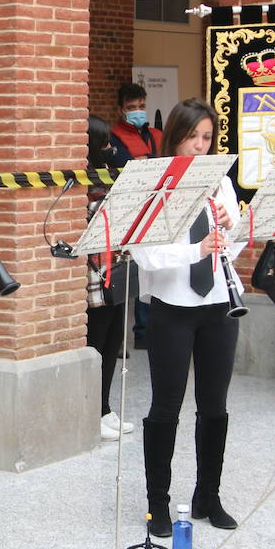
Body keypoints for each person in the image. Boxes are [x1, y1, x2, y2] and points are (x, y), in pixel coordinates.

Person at [131, 98, 244, 537]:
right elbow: (146, 254)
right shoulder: (154, 185)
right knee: (165, 407)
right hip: (173, 309)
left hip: (218, 305)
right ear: (174, 137)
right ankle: (156, 503)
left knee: (214, 407)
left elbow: (232, 249)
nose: (200, 146)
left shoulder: (220, 183)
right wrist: (194, 250)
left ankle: (208, 495)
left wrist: (230, 230)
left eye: (207, 138)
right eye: (192, 137)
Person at [83, 116, 135, 440]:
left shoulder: (109, 175)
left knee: (115, 339)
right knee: (98, 342)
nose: (110, 148)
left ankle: (104, 407)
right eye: (104, 142)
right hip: (96, 276)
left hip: (116, 269)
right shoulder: (83, 181)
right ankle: (93, 412)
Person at [109, 82, 163, 349]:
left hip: (158, 208)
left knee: (152, 268)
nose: (138, 112)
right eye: (132, 108)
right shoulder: (114, 136)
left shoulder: (156, 134)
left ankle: (149, 328)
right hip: (131, 209)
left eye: (141, 107)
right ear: (121, 110)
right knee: (132, 271)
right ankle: (137, 332)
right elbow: (124, 169)